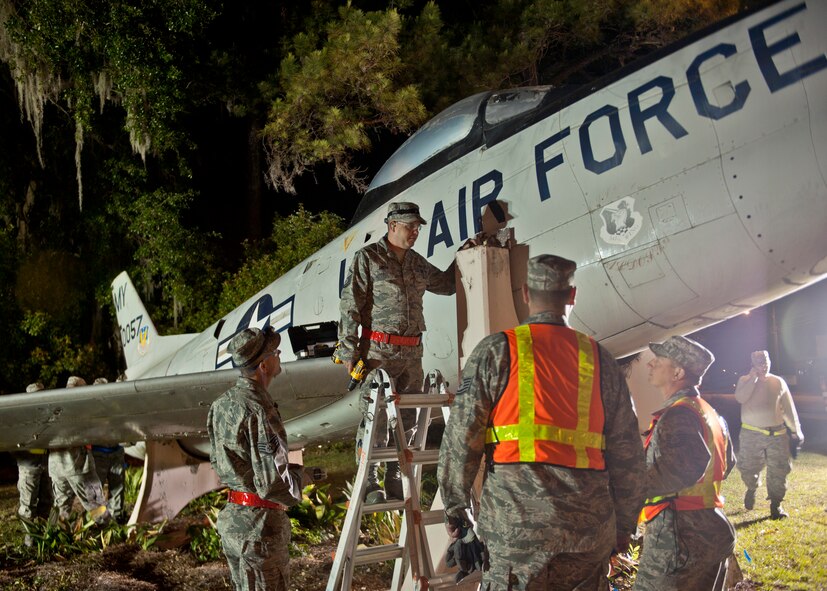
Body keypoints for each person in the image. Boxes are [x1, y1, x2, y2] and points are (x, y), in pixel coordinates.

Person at [437, 254, 645, 590]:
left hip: (515, 534)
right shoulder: (600, 360)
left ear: (524, 294)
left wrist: (456, 509)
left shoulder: (496, 352)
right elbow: (630, 457)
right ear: (572, 295)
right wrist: (623, 528)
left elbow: (462, 437)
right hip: (587, 534)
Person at [339, 201, 457, 503]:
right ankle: (370, 481)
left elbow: (446, 284)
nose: (415, 231)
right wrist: (350, 349)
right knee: (376, 417)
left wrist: (466, 254)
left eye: (417, 226)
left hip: (412, 355)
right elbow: (351, 305)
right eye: (410, 226)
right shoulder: (368, 258)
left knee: (409, 419)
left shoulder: (417, 263)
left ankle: (395, 476)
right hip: (379, 352)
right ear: (392, 226)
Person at [207, 326, 305, 591]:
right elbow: (273, 482)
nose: (279, 355)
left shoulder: (221, 404)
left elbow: (218, 460)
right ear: (264, 365)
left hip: (236, 521)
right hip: (260, 529)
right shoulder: (260, 409)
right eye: (276, 352)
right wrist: (300, 481)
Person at [635, 336, 736, 591]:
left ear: (678, 372)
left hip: (679, 536)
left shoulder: (678, 414)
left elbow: (682, 469)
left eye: (658, 361)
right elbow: (728, 463)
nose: (650, 365)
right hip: (707, 527)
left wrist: (626, 483)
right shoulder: (710, 413)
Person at [735, 350, 803, 519]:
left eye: (765, 362)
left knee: (779, 470)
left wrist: (796, 430)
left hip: (777, 434)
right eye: (759, 363)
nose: (763, 366)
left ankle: (776, 505)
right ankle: (751, 489)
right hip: (751, 433)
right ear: (753, 364)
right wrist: (752, 378)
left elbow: (788, 409)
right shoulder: (744, 380)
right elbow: (741, 398)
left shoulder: (778, 382)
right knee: (748, 468)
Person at [48, 376, 111, 524]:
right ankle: (108, 533)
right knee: (95, 502)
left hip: (56, 467)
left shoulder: (54, 408)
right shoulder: (82, 409)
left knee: (61, 506)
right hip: (78, 465)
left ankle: (55, 538)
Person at [13, 382, 53, 545]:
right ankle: (30, 542)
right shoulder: (21, 418)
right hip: (29, 466)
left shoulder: (48, 416)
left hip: (45, 463)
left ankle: (42, 537)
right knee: (28, 504)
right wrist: (22, 458)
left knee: (47, 501)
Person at [90, 377, 127, 523]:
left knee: (117, 488)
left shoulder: (115, 407)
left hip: (115, 452)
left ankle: (117, 518)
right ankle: (98, 522)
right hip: (98, 454)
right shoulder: (90, 409)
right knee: (95, 491)